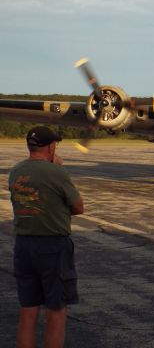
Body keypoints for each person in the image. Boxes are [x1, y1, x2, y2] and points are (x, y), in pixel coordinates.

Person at [8, 126, 84, 348]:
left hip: (23, 246)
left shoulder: (16, 171)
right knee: (56, 311)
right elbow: (78, 207)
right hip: (52, 246)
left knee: (28, 311)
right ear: (51, 147)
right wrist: (58, 167)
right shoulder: (57, 173)